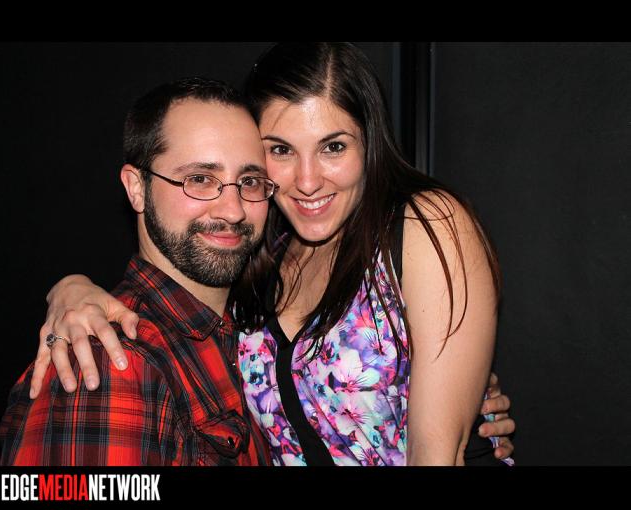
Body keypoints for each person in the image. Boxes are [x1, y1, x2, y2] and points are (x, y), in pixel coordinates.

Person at [26, 43, 516, 466]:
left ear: (369, 144)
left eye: (333, 147)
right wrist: (71, 290)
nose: (307, 180)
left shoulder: (422, 225)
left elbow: (437, 451)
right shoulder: (261, 258)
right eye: (280, 151)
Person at [0, 78, 274, 466]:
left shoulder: (242, 332)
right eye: (199, 179)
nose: (233, 210)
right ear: (136, 188)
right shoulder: (108, 363)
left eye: (249, 181)